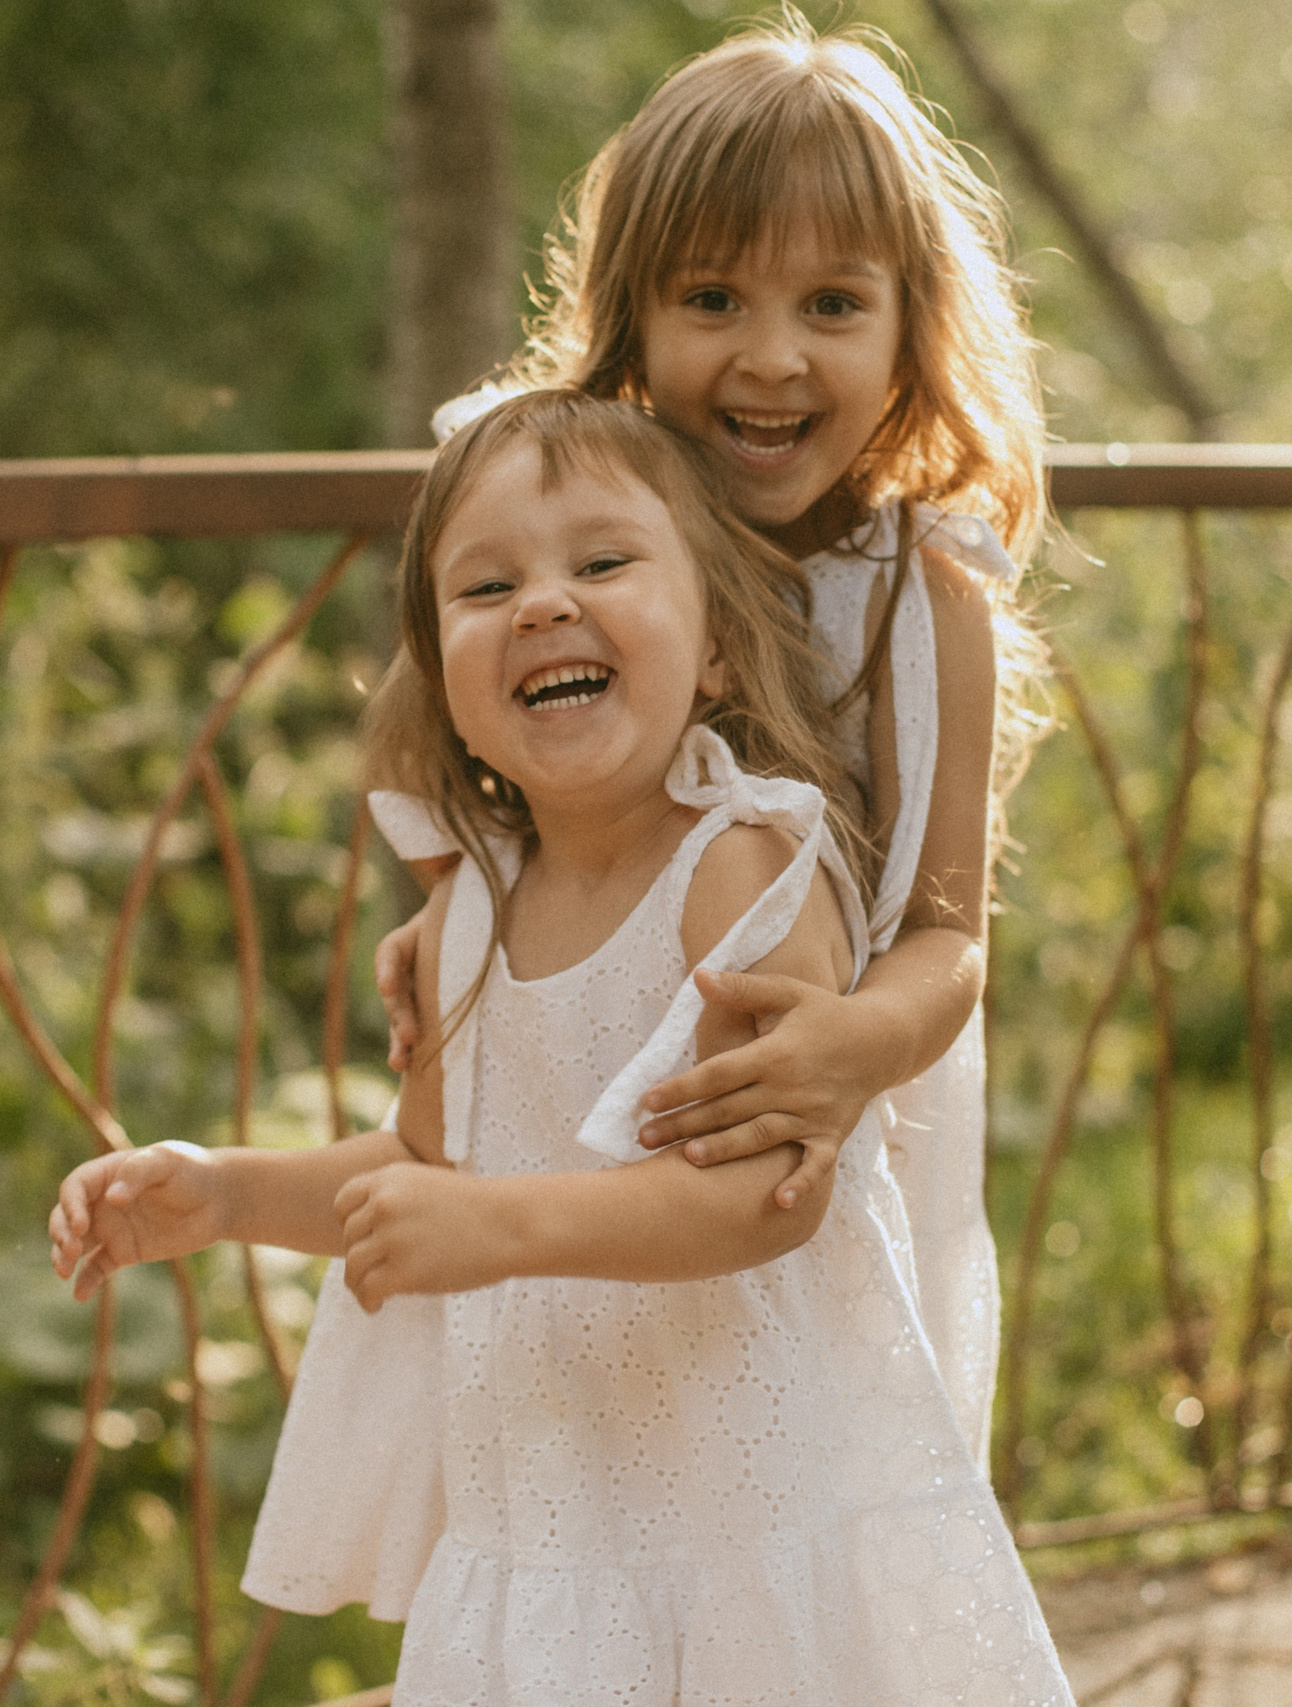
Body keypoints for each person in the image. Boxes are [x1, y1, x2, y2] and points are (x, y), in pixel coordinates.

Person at [52, 392, 1065, 1705]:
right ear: (447, 688)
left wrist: (498, 1230)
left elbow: (766, 1194)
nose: (542, 605)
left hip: (749, 1523)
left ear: (715, 646)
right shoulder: (468, 911)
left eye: (602, 564)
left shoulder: (742, 864)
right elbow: (431, 1167)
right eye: (487, 587)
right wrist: (229, 1193)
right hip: (548, 1523)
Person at [371, 13, 1051, 1472]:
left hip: (804, 1137)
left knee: (807, 1504)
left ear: (910, 324)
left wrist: (861, 1042)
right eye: (714, 297)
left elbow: (948, 934)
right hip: (576, 1144)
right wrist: (455, 906)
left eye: (833, 304)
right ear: (633, 312)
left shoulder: (919, 599)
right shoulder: (563, 535)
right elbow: (457, 749)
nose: (772, 357)